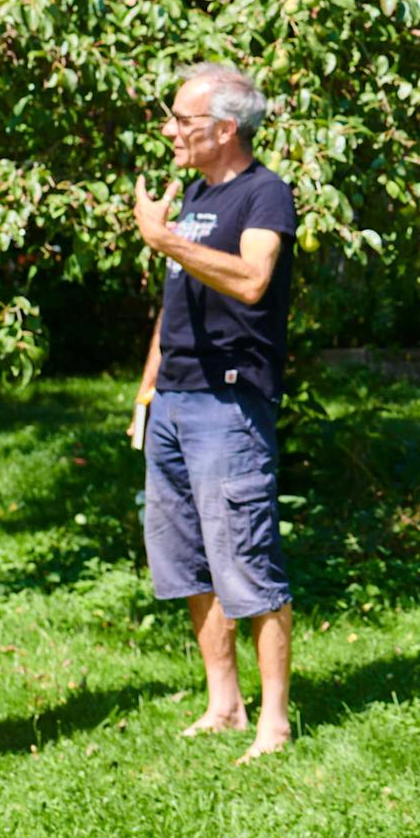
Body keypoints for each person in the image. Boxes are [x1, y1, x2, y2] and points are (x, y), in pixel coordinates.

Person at [130, 62, 298, 765]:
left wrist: (164, 238)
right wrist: (147, 391)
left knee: (246, 559)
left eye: (182, 119)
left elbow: (253, 280)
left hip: (229, 402)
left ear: (225, 129)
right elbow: (175, 305)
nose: (170, 130)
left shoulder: (264, 195)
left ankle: (275, 721)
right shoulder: (195, 193)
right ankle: (224, 705)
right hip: (173, 400)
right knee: (187, 562)